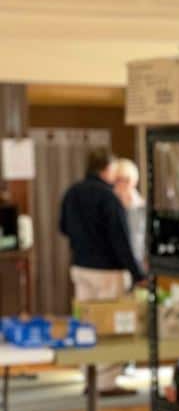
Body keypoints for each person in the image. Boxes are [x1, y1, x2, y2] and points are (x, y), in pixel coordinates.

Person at [59, 148, 145, 395]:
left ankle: (89, 376)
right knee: (109, 326)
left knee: (85, 323)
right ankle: (106, 383)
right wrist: (138, 274)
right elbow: (121, 240)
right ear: (107, 169)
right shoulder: (108, 198)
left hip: (80, 267)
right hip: (107, 271)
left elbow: (63, 227)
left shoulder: (72, 192)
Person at [113, 158, 147, 270]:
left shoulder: (143, 207)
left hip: (138, 263)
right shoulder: (107, 206)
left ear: (134, 181)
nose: (122, 184)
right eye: (118, 180)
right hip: (113, 265)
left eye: (127, 179)